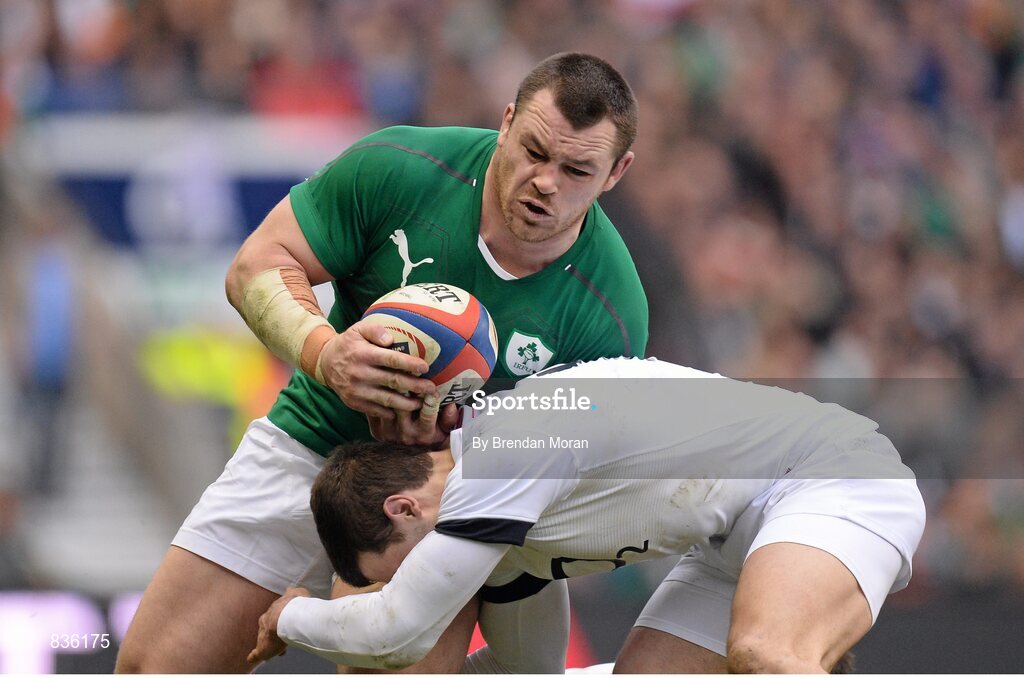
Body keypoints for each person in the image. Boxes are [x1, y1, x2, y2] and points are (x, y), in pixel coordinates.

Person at [116, 52, 648, 673]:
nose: (547, 182)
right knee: (153, 668)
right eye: (533, 151)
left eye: (577, 169)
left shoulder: (612, 312)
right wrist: (326, 352)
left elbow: (567, 473)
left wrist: (455, 454)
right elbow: (256, 265)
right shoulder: (402, 169)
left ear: (617, 173)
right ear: (505, 122)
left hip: (440, 505)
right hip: (312, 442)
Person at [247, 357, 926, 673]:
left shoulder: (507, 447)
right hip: (732, 540)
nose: (423, 580)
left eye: (401, 567)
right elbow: (532, 673)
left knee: (764, 654)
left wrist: (291, 617)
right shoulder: (504, 537)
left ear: (405, 506)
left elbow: (396, 632)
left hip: (827, 474)